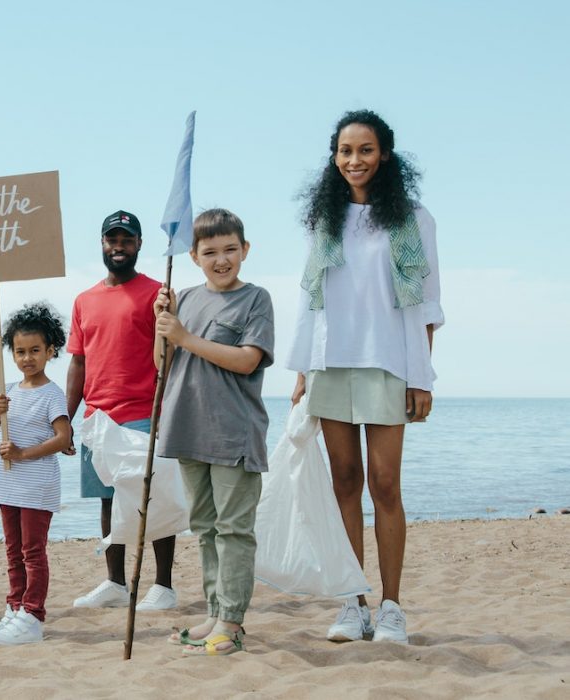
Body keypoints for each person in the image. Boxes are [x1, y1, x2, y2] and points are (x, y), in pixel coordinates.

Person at [289, 109, 443, 645]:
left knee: (384, 486)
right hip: (331, 364)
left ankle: (393, 607)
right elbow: (311, 302)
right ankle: (352, 605)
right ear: (334, 158)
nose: (355, 161)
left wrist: (421, 378)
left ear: (385, 156)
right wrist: (304, 371)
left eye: (366, 150)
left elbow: (427, 305)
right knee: (344, 484)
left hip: (388, 363)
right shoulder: (324, 221)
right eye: (345, 151)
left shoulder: (413, 219)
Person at [154, 208, 274, 656]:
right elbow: (162, 366)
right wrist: (161, 325)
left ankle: (233, 621)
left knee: (234, 529)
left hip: (234, 432)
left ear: (244, 250)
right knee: (204, 527)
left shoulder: (255, 299)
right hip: (187, 427)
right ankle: (214, 611)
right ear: (193, 255)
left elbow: (246, 360)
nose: (221, 260)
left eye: (229, 250)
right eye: (210, 252)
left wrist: (183, 336)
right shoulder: (182, 298)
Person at [67, 209, 177, 610]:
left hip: (144, 412)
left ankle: (163, 586)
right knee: (108, 501)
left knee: (154, 497)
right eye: (112, 239)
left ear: (139, 245)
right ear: (102, 243)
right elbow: (78, 361)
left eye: (126, 240)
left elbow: (172, 353)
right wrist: (66, 418)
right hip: (98, 417)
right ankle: (115, 583)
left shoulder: (156, 293)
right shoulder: (84, 300)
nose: (119, 247)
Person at [0, 303, 71, 645]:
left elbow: (64, 438)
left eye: (35, 351)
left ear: (50, 351)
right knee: (12, 551)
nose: (27, 358)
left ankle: (33, 614)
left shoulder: (51, 394)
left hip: (37, 486)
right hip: (8, 484)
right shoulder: (11, 392)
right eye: (20, 351)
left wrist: (22, 454)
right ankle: (15, 608)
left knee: (33, 552)